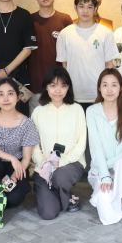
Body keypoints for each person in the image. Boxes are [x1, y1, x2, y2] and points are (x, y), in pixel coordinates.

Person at [87, 68, 122, 225]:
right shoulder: (92, 111)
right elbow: (95, 146)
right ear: (99, 88)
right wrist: (104, 174)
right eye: (105, 85)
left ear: (120, 88)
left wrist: (105, 165)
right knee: (107, 212)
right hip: (101, 170)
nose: (109, 90)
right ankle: (112, 196)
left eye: (114, 85)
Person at [31, 67, 87, 220]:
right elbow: (34, 145)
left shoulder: (77, 110)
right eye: (53, 85)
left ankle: (61, 189)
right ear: (46, 87)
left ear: (68, 88)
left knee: (60, 177)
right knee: (48, 213)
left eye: (63, 85)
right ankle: (65, 195)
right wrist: (43, 162)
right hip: (44, 167)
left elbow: (81, 143)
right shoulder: (38, 112)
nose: (58, 90)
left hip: (71, 163)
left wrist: (62, 162)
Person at [0, 78, 40, 209]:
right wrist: (12, 158)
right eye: (1, 94)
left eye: (10, 94)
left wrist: (14, 175)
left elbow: (26, 158)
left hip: (16, 167)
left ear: (18, 97)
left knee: (13, 199)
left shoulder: (27, 124)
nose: (5, 99)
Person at [56, 0, 119, 110]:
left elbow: (109, 65)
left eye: (89, 7)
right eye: (81, 6)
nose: (85, 11)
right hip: (74, 95)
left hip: (99, 94)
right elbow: (64, 66)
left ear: (95, 9)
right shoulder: (65, 34)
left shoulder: (106, 33)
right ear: (75, 7)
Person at [28, 0, 73, 115]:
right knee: (36, 122)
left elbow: (71, 51)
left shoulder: (64, 19)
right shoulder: (29, 20)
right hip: (35, 83)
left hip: (59, 85)